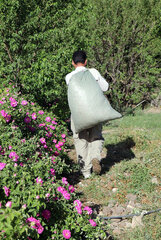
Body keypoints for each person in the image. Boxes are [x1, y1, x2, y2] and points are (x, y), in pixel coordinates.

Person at [65, 50, 109, 179]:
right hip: (94, 111)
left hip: (79, 114)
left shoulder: (69, 77)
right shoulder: (93, 72)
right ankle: (95, 156)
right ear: (86, 61)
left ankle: (86, 172)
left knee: (80, 140)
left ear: (73, 63)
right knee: (96, 137)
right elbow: (105, 87)